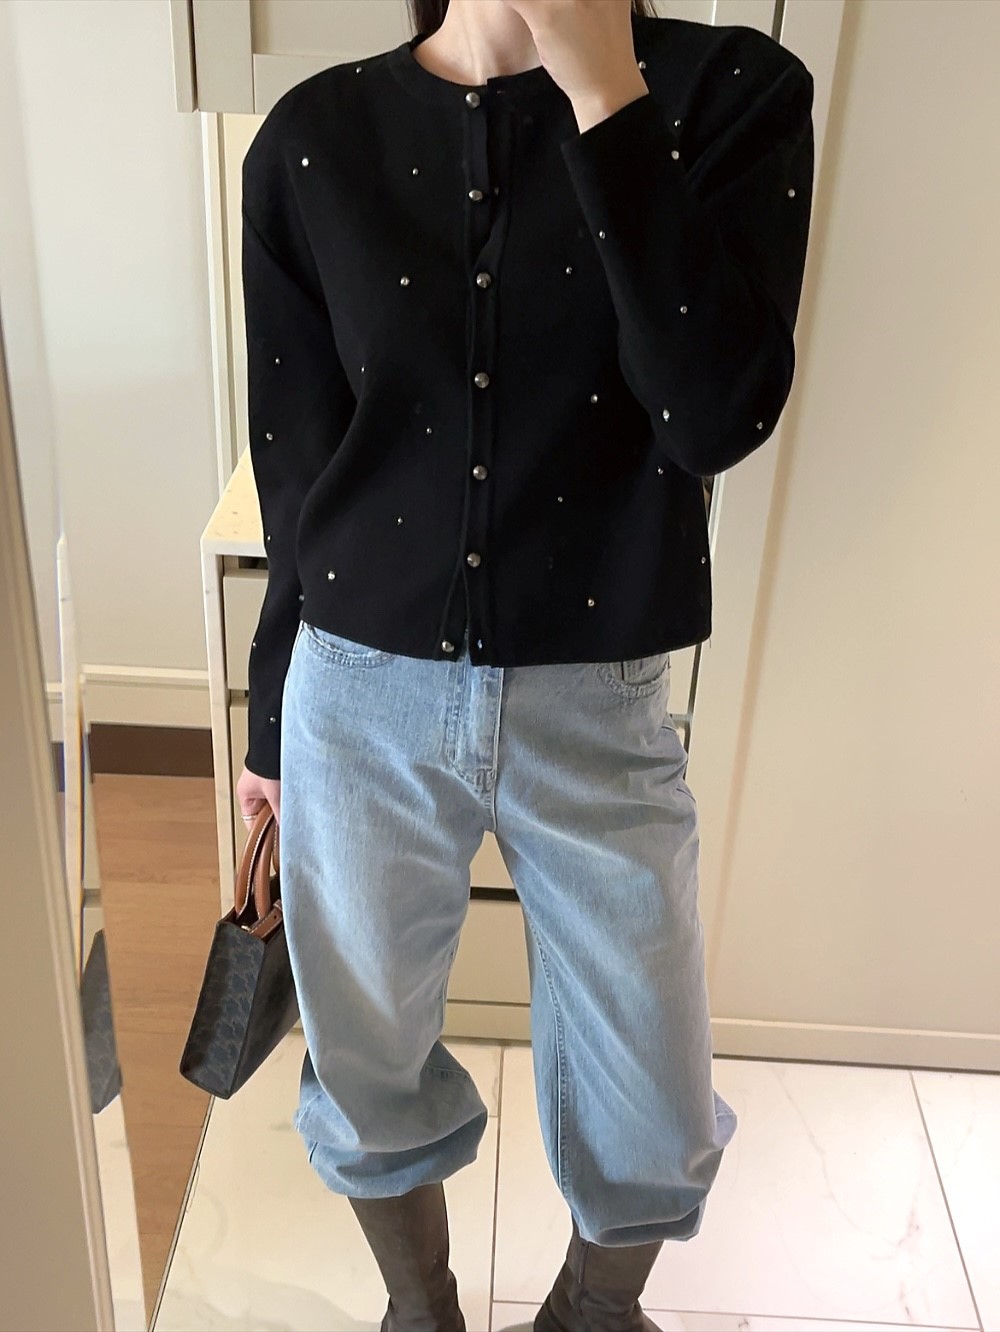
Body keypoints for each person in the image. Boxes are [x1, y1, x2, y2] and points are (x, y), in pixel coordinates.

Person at [235, 1, 814, 1328]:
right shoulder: (317, 137)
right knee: (364, 1059)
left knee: (655, 1097)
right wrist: (270, 721)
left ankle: (593, 1317)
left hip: (599, 699)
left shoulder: (731, 92)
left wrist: (607, 97)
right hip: (357, 697)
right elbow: (297, 471)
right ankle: (421, 1309)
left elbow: (716, 414)